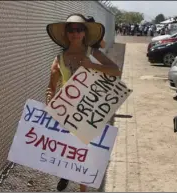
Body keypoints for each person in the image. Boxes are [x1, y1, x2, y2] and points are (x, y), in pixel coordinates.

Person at [46, 13, 121, 192]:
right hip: (65, 111)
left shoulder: (93, 53)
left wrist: (92, 65)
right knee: (67, 149)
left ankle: (82, 189)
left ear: (84, 33)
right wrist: (49, 99)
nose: (75, 33)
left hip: (88, 109)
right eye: (71, 30)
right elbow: (51, 87)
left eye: (79, 29)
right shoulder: (59, 59)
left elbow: (115, 71)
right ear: (66, 34)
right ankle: (66, 173)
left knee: (84, 152)